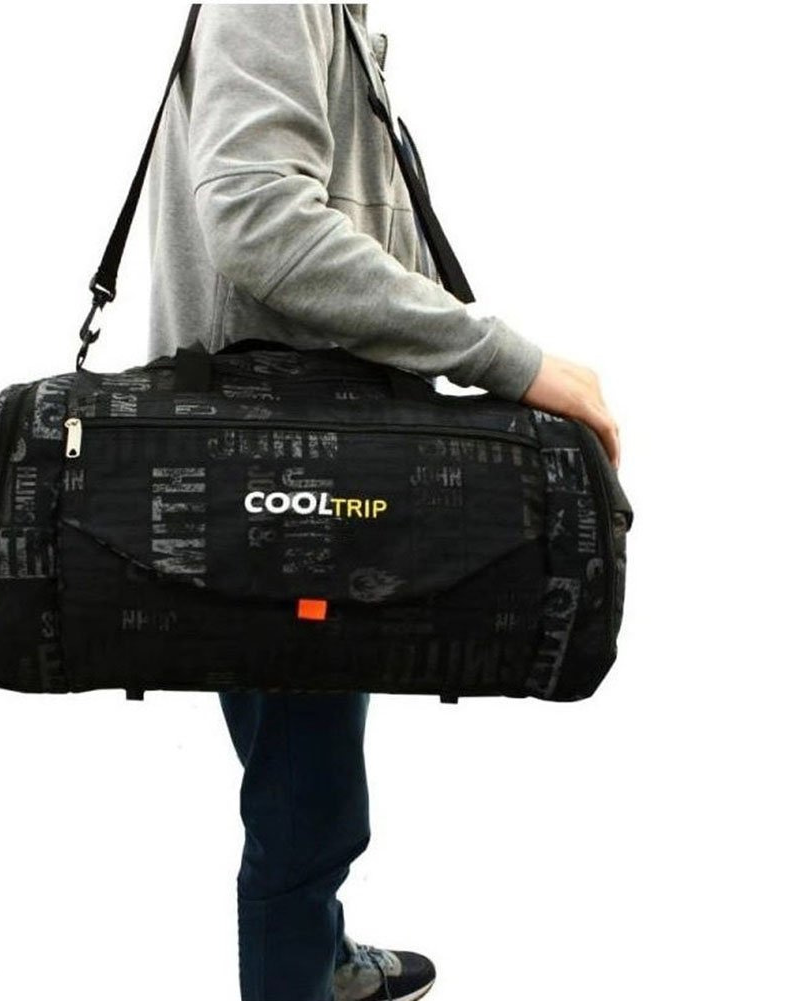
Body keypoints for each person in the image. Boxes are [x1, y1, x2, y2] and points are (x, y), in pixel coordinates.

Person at [146, 5, 621, 1000]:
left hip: (300, 466)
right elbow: (258, 219)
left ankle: (317, 954)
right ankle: (300, 975)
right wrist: (508, 360)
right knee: (306, 799)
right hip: (281, 477)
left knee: (302, 762)